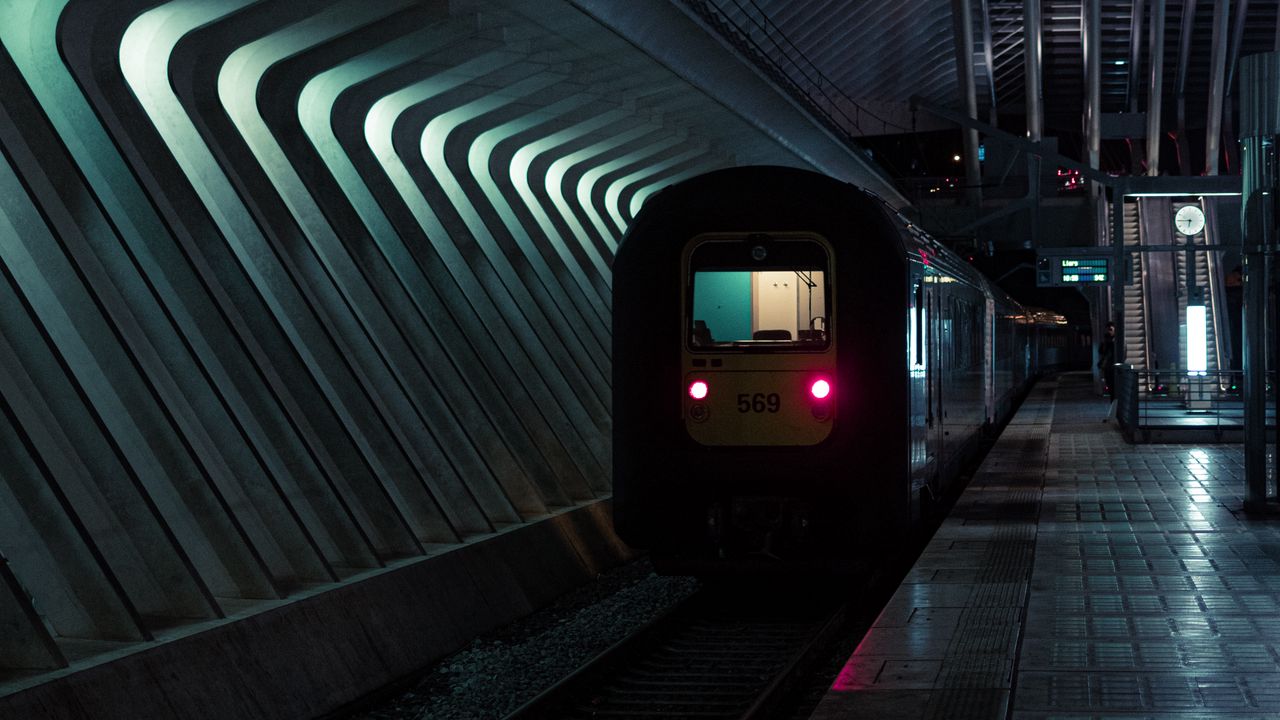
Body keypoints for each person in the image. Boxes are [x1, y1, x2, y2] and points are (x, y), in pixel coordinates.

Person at [1097, 321, 1116, 395]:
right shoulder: (1105, 340)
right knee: (1110, 386)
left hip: (1113, 367)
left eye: (1110, 329)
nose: (1109, 332)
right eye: (1108, 330)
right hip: (1108, 367)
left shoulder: (1116, 340)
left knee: (1114, 387)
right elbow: (1101, 351)